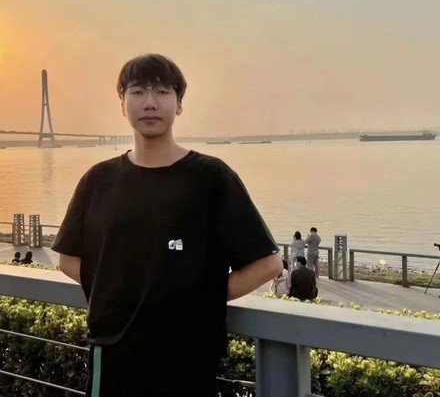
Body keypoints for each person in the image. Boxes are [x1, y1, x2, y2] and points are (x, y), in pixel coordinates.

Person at [52, 54, 282, 397]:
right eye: (137, 92)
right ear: (122, 103)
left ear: (179, 104)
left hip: (189, 358)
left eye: (161, 92)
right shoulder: (99, 180)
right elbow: (68, 258)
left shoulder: (211, 178)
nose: (150, 103)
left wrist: (198, 298)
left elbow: (268, 264)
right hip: (113, 356)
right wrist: (121, 294)